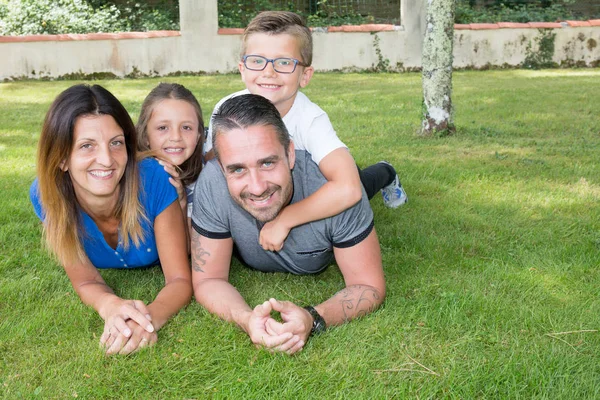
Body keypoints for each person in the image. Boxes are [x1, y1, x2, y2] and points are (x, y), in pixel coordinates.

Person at [192, 94, 386, 355]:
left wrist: (312, 317)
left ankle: (387, 170)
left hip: (344, 186)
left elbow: (368, 285)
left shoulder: (337, 191)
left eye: (268, 163)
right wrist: (247, 319)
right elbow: (209, 279)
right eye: (237, 169)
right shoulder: (213, 182)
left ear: (290, 153)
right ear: (221, 166)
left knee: (367, 182)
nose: (257, 186)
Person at [203, 11, 408, 254]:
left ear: (305, 75)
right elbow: (212, 165)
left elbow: (347, 188)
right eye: (257, 61)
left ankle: (386, 172)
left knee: (361, 187)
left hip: (315, 183)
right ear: (242, 69)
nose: (269, 72)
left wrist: (284, 219)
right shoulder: (226, 109)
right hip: (276, 188)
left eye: (284, 62)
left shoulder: (311, 120)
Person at [29, 84, 192, 355]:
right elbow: (85, 281)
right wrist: (110, 306)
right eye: (86, 146)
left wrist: (147, 320)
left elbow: (178, 279)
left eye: (116, 143)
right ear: (62, 159)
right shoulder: (46, 195)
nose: (106, 160)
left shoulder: (154, 179)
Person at [136, 82, 204, 228]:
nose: (175, 137)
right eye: (163, 128)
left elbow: (188, 248)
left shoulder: (205, 181)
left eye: (186, 127)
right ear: (145, 135)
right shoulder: (131, 174)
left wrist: (181, 202)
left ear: (199, 135)